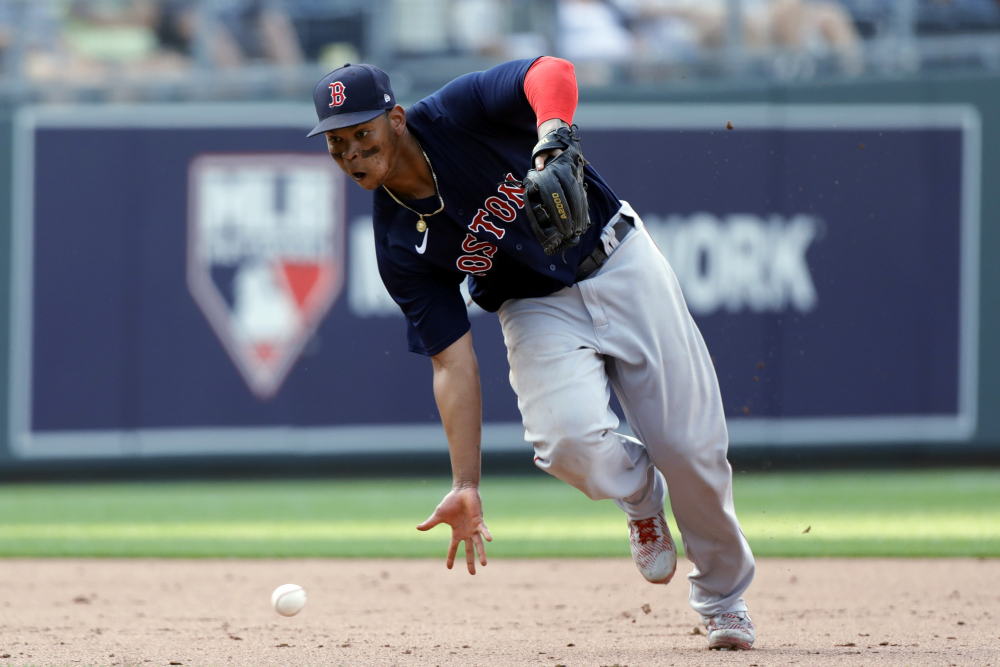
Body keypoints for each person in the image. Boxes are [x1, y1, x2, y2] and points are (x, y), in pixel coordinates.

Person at [306, 58, 757, 651]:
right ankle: (640, 495)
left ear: (396, 118)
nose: (353, 154)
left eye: (363, 134)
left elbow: (549, 71)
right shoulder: (397, 243)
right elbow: (452, 362)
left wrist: (553, 135)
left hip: (618, 258)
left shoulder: (452, 113)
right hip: (531, 305)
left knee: (691, 449)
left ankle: (723, 600)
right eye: (339, 144)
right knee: (566, 444)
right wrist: (465, 481)